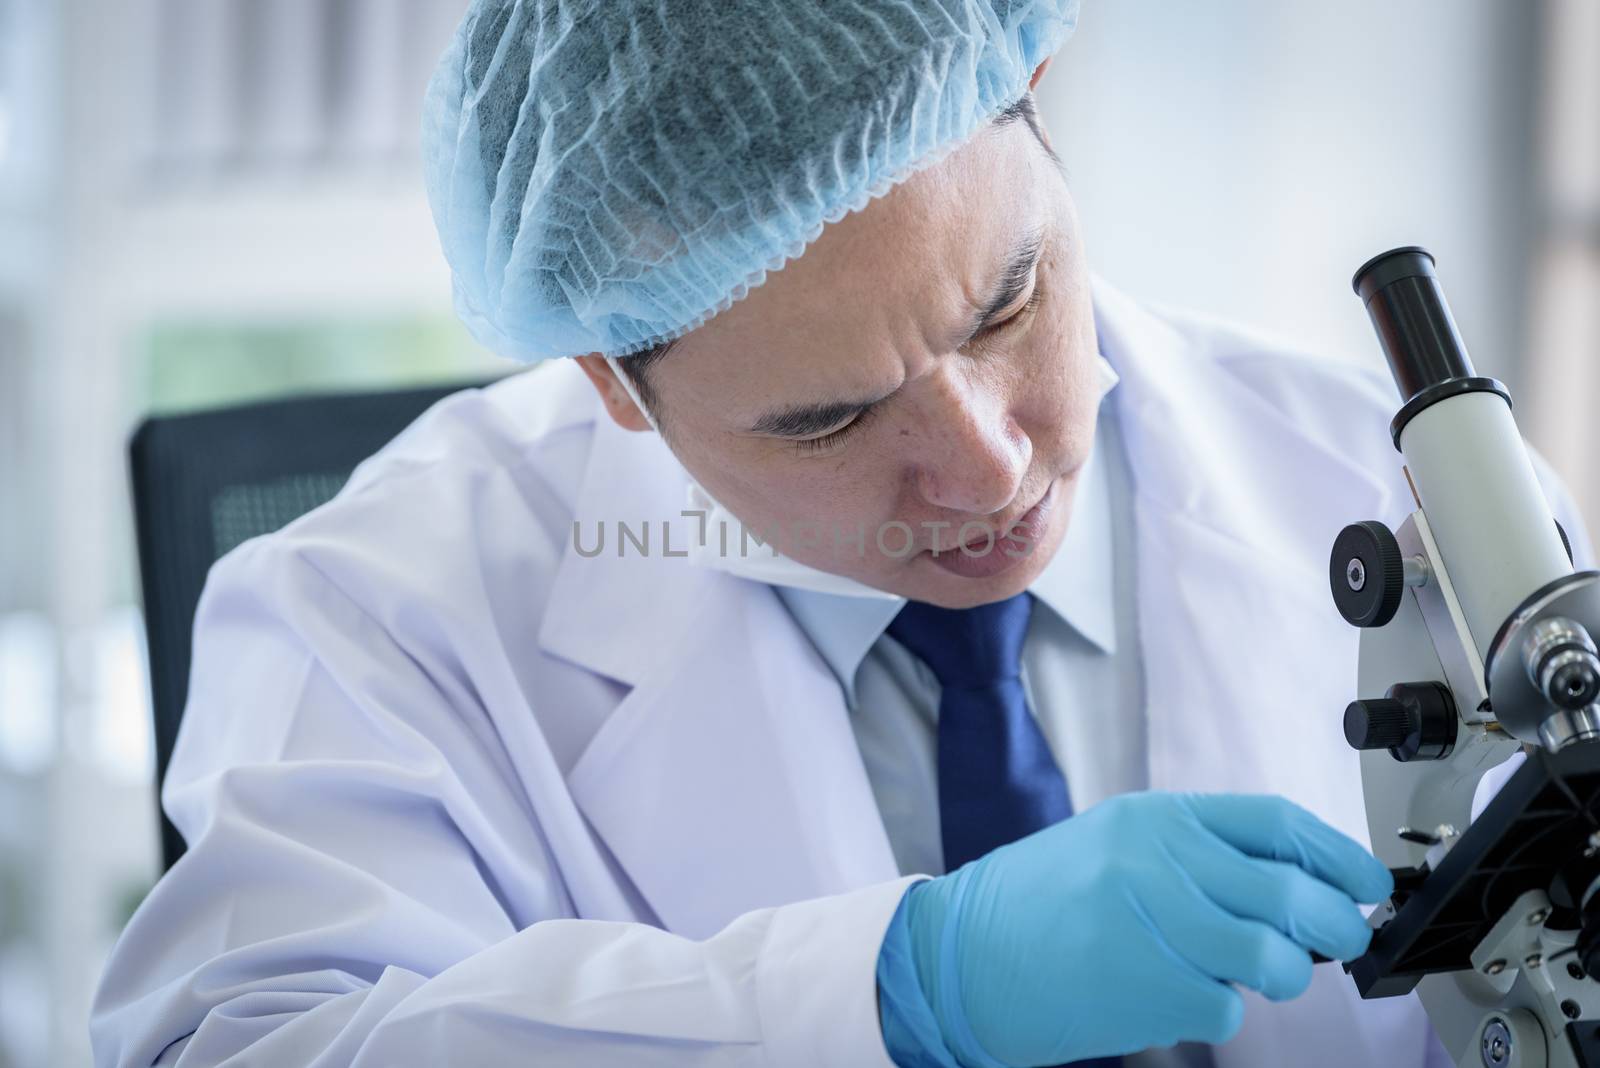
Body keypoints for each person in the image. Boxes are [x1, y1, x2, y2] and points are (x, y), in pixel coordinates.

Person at [90, 2, 1592, 1066]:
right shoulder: (372, 605)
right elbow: (240, 1043)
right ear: (615, 381)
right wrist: (891, 993)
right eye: (828, 420)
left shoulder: (1385, 474)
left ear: (1041, 98)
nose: (989, 464)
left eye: (1009, 303)